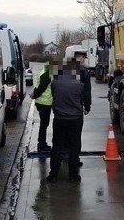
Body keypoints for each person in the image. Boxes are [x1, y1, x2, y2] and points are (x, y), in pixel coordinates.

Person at [46, 55, 91, 184]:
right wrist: (86, 107)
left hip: (59, 118)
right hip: (75, 119)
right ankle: (73, 176)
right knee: (74, 147)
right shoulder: (79, 85)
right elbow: (83, 99)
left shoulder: (56, 82)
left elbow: (54, 96)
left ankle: (53, 175)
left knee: (57, 146)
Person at [30, 61, 55, 152]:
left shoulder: (44, 71)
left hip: (42, 102)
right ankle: (41, 144)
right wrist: (34, 95)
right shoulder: (47, 74)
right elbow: (42, 88)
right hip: (44, 103)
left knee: (44, 124)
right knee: (44, 124)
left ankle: (42, 143)